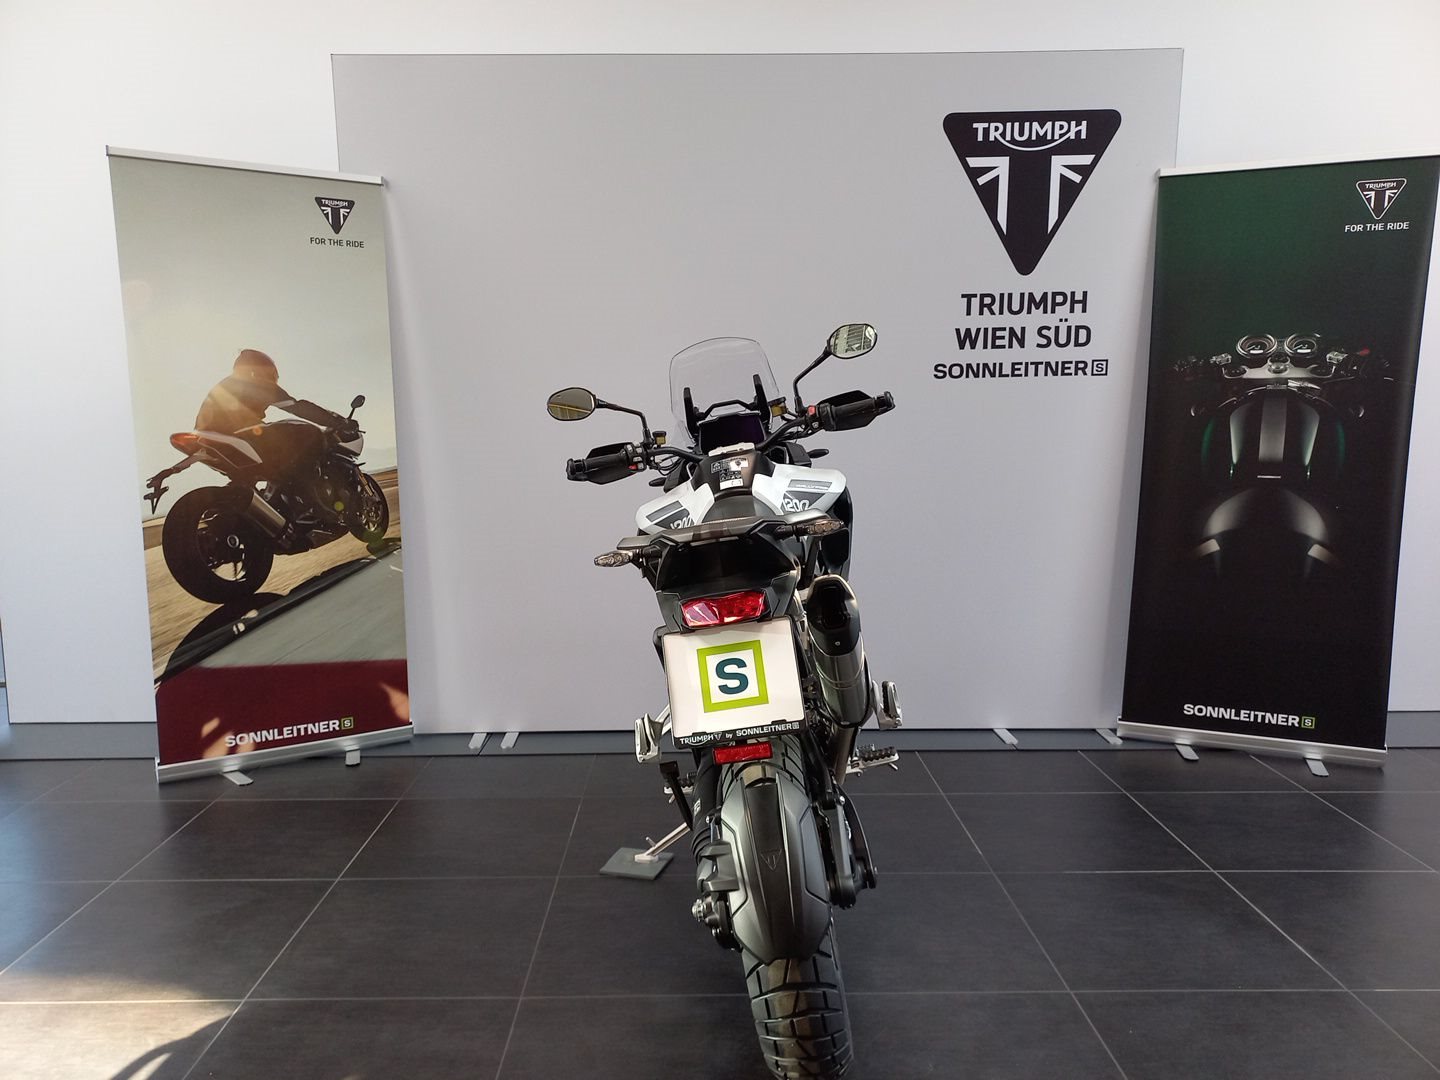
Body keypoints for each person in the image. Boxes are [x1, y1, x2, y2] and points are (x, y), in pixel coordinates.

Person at [195, 349, 351, 483]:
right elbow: (297, 407)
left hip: (210, 440)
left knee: (254, 474)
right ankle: (306, 488)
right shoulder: (256, 383)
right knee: (311, 433)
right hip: (237, 435)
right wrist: (336, 421)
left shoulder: (226, 384)